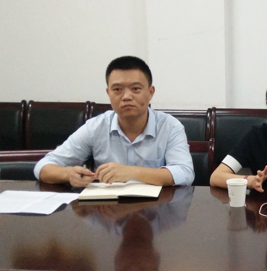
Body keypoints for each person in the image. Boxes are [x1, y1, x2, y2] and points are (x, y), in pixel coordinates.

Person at [34, 56, 194, 187]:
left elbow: (185, 173)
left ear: (151, 92)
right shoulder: (95, 127)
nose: (126, 97)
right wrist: (68, 174)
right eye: (117, 89)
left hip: (156, 209)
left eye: (136, 89)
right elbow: (43, 167)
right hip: (108, 210)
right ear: (108, 93)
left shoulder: (170, 127)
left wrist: (132, 172)